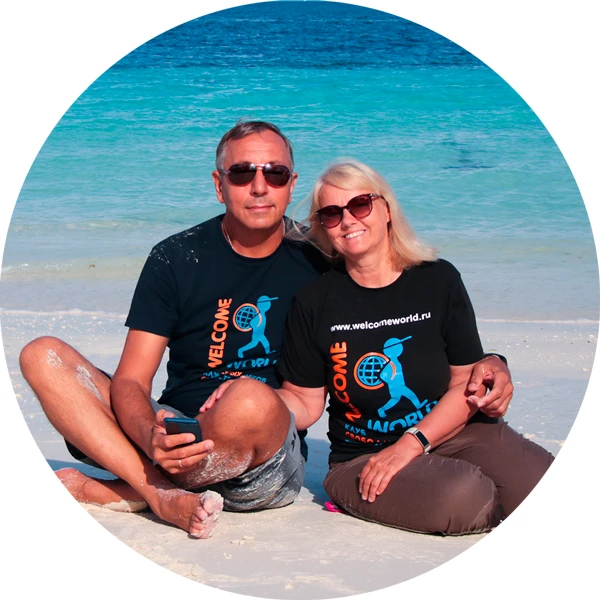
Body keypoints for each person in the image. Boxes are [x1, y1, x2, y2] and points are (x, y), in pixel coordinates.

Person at [19, 122, 514, 539]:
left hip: (266, 444)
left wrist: (490, 361)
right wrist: (151, 434)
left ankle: (136, 486)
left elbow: (398, 309)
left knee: (250, 397)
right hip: (179, 426)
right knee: (42, 354)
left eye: (274, 173)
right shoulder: (176, 257)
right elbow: (131, 379)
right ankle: (156, 490)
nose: (259, 186)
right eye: (242, 173)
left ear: (291, 185)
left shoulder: (320, 255)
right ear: (219, 185)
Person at [272, 159, 554, 535]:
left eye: (360, 204)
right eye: (332, 213)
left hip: (453, 430)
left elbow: (465, 384)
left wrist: (412, 443)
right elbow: (305, 403)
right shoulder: (313, 301)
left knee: (543, 484)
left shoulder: (438, 279)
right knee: (467, 498)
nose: (348, 220)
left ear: (386, 208)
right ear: (324, 226)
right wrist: (249, 404)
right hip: (363, 454)